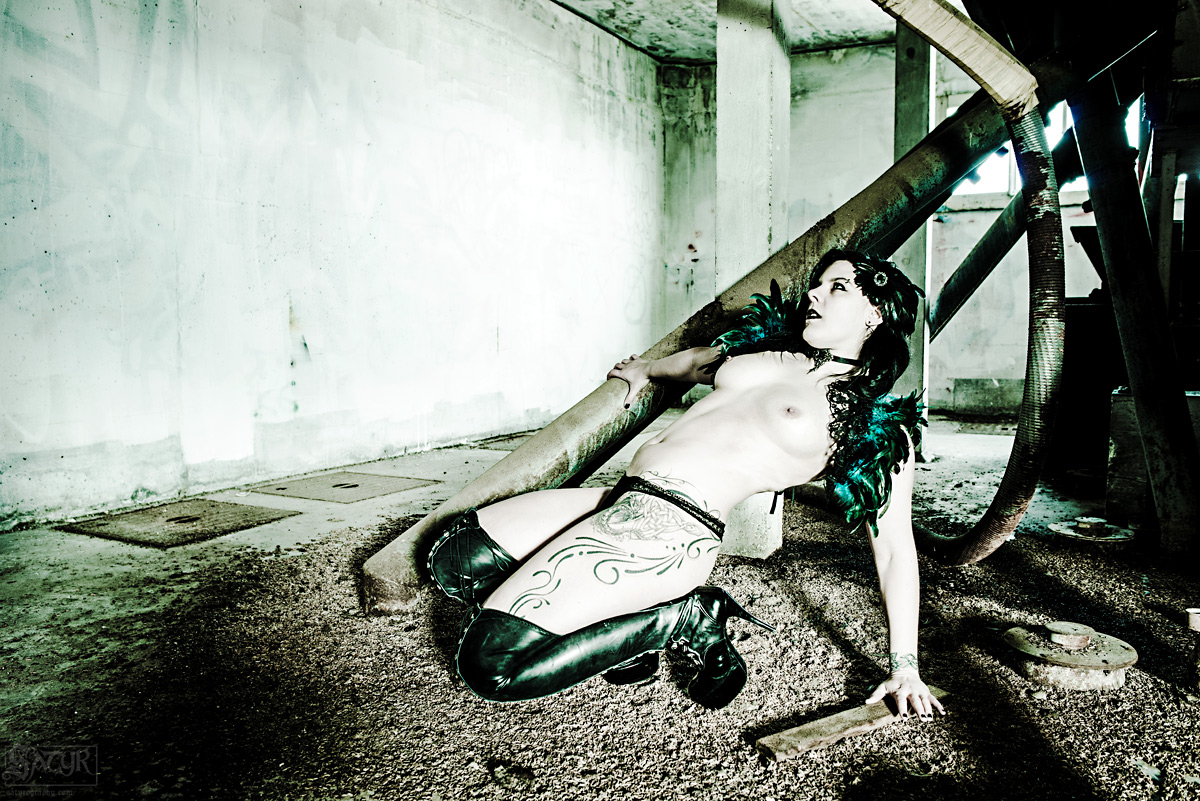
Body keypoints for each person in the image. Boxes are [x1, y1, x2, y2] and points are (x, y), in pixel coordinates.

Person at [426, 249, 946, 720]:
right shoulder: (776, 353)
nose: (814, 293)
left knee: (492, 665)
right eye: (818, 283)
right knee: (455, 559)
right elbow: (699, 362)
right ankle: (626, 632)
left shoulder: (873, 424)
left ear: (874, 314)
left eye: (838, 287)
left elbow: (895, 549)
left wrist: (905, 665)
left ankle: (680, 618)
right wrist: (647, 369)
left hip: (672, 526)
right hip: (618, 496)